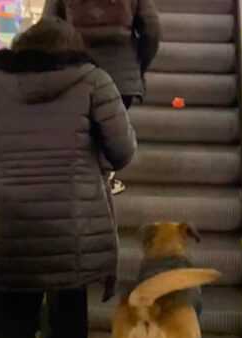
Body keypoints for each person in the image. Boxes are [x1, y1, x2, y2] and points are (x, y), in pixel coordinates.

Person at [0, 17, 136, 338]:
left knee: (9, 317)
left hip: (5, 223)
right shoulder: (94, 81)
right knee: (68, 311)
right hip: (72, 226)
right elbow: (123, 152)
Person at [43, 0, 161, 195]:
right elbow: (152, 29)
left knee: (80, 131)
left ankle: (85, 182)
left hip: (75, 70)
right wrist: (138, 63)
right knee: (111, 132)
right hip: (121, 73)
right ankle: (104, 177)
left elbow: (48, 26)